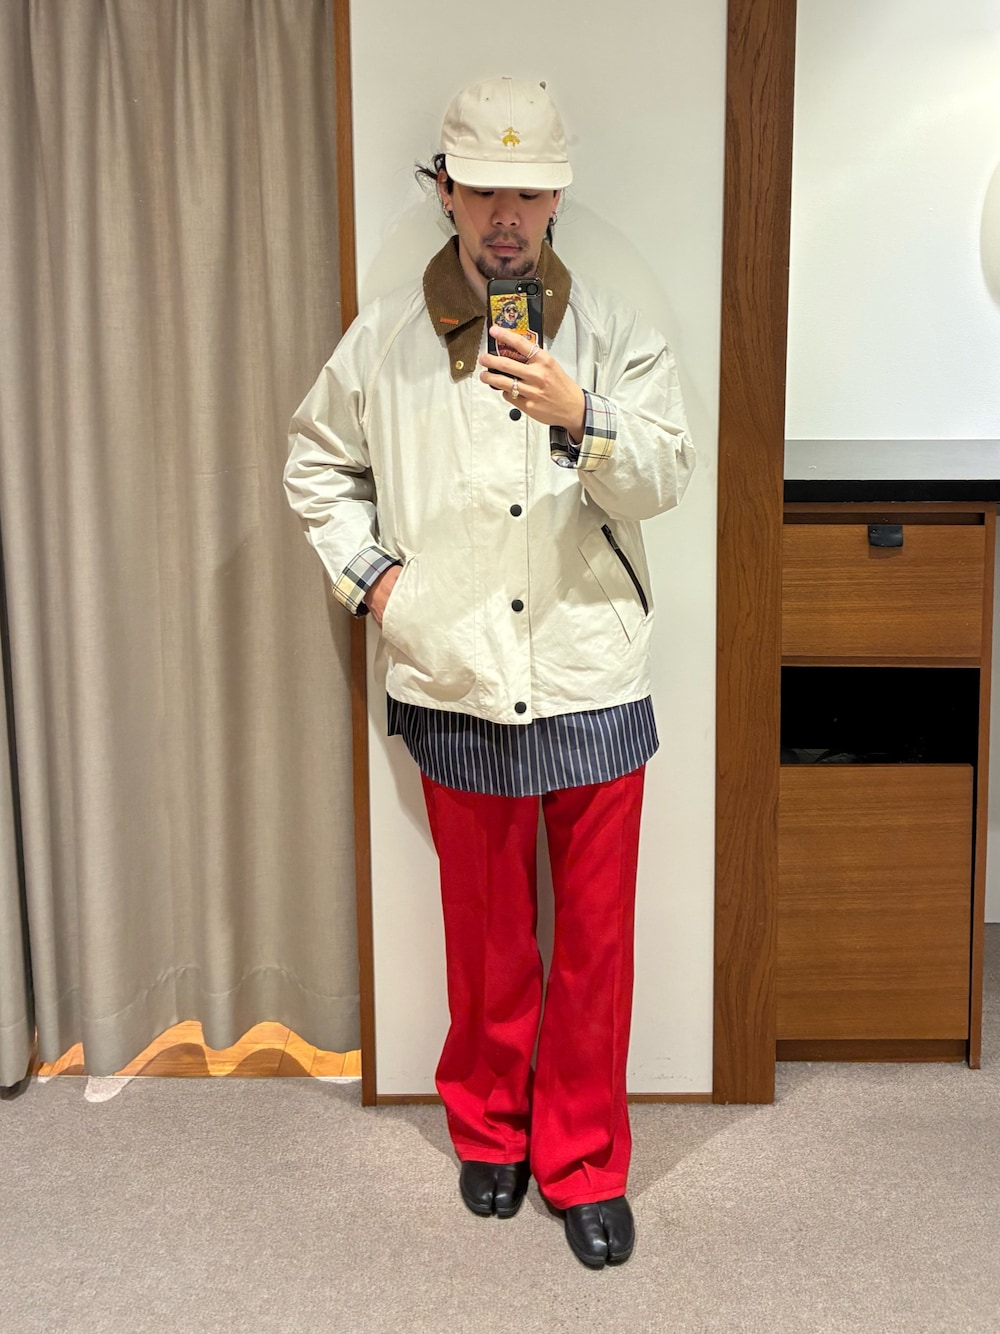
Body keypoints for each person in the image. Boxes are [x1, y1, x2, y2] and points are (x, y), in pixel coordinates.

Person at [284, 75, 695, 1269]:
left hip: (590, 669)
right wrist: (380, 585)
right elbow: (317, 463)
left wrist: (582, 414)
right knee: (486, 936)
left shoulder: (613, 331)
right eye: (482, 190)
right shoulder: (386, 340)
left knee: (595, 943)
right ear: (445, 192)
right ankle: (490, 1130)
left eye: (527, 190)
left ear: (557, 197)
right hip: (454, 668)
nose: (505, 215)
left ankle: (584, 1158)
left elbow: (666, 473)